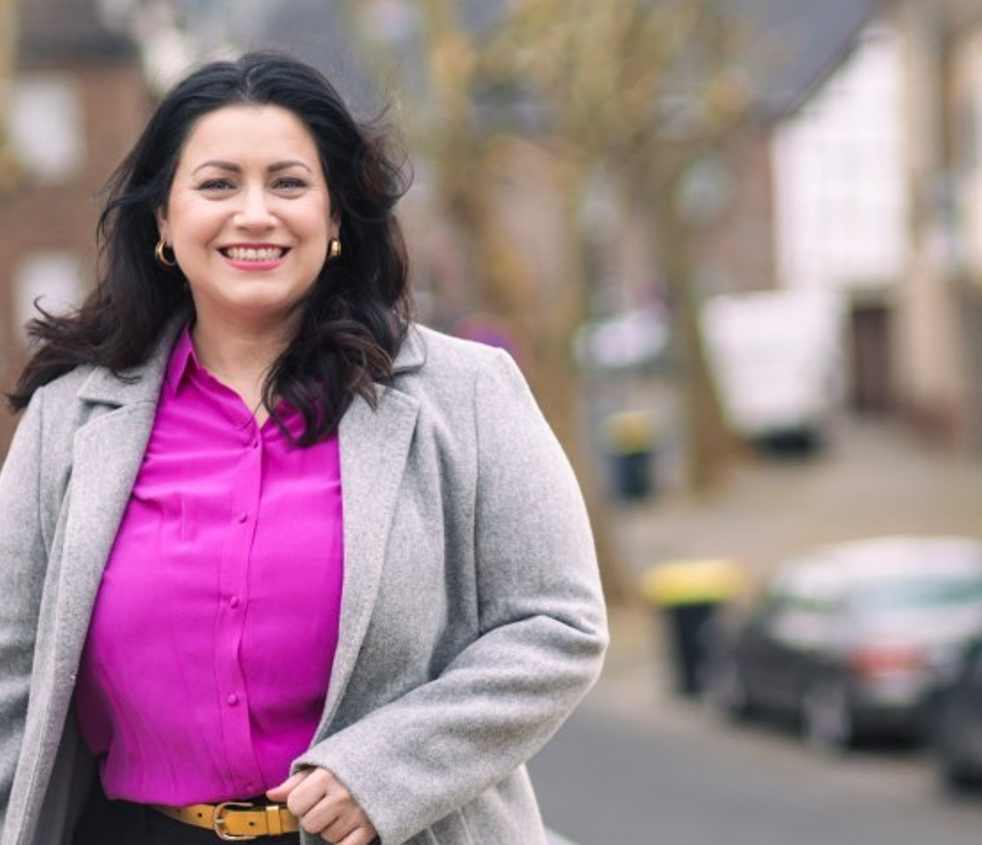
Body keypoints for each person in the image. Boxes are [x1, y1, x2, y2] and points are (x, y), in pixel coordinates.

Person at [0, 51, 608, 845]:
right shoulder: (67, 419)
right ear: (162, 221)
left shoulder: (466, 392)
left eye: (288, 184)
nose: (255, 214)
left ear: (334, 221)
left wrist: (384, 771)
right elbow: (10, 667)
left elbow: (556, 625)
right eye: (218, 184)